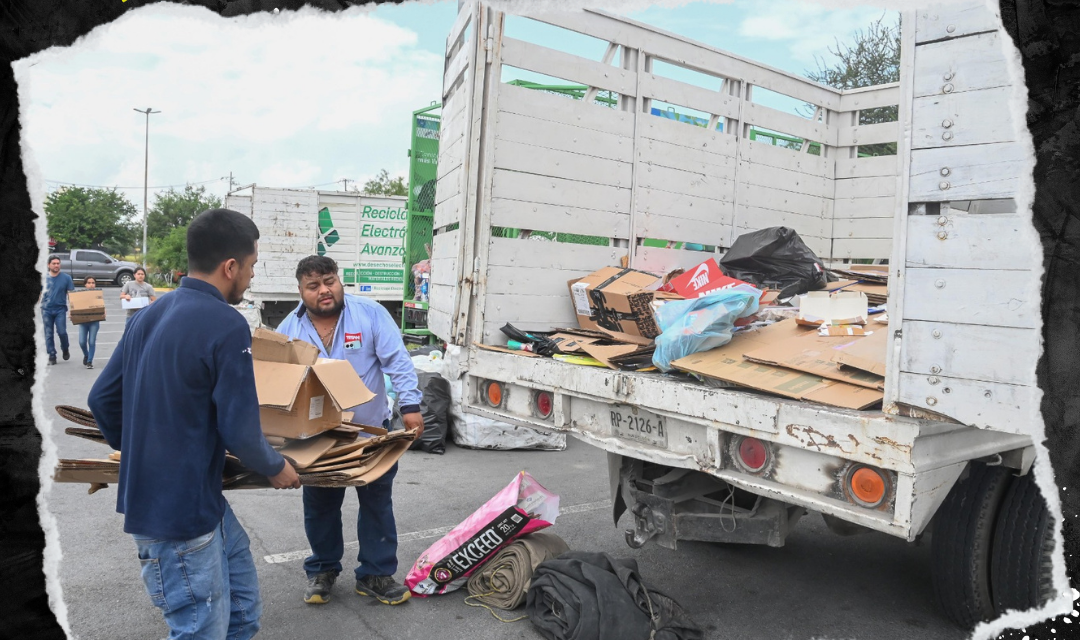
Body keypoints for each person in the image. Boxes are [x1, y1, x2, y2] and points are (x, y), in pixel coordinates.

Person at [88, 209, 301, 639]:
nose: (251, 277)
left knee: (242, 615)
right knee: (201, 630)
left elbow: (102, 400)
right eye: (252, 266)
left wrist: (142, 455)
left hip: (200, 506)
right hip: (178, 521)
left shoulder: (151, 311)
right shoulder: (226, 323)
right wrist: (277, 468)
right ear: (230, 267)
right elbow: (240, 428)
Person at [275, 255, 424, 606]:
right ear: (301, 291)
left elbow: (398, 361)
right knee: (320, 504)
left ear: (339, 281)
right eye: (314, 286)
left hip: (370, 433)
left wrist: (411, 406)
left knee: (376, 503)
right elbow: (279, 384)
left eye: (329, 281)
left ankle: (375, 574)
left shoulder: (369, 314)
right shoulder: (289, 330)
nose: (324, 290)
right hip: (317, 439)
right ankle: (323, 569)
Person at [42, 255, 75, 365]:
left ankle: (65, 348)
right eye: (54, 263)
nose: (56, 265)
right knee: (48, 334)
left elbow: (71, 295)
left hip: (60, 309)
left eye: (58, 263)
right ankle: (52, 355)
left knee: (62, 332)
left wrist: (72, 310)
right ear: (48, 265)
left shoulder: (66, 278)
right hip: (46, 309)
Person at [73, 276, 102, 369]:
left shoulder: (98, 294)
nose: (91, 285)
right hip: (83, 321)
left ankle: (89, 361)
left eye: (93, 283)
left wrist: (103, 312)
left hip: (94, 321)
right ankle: (86, 354)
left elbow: (101, 306)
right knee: (82, 342)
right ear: (85, 284)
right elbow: (75, 306)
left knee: (92, 341)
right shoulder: (80, 294)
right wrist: (72, 314)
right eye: (89, 283)